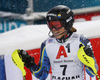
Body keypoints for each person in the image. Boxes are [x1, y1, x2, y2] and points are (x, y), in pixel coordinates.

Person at [12, 5, 98, 80]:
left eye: (57, 25)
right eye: (50, 25)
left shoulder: (80, 41)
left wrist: (89, 60)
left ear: (67, 23)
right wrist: (29, 63)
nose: (53, 29)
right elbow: (41, 75)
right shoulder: (46, 44)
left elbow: (92, 72)